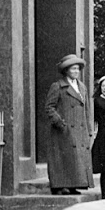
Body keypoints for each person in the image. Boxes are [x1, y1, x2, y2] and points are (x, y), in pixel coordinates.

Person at [42, 53, 92, 195]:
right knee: (63, 158)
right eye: (72, 69)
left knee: (76, 158)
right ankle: (60, 185)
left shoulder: (82, 87)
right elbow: (49, 107)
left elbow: (86, 109)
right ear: (66, 71)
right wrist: (60, 123)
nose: (76, 71)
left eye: (77, 69)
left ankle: (73, 185)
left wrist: (88, 129)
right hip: (63, 130)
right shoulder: (58, 86)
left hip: (79, 129)